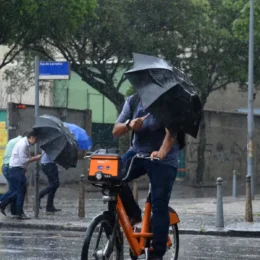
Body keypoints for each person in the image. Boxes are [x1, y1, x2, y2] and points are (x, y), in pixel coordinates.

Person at [112, 94, 179, 260]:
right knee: (112, 176)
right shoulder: (133, 101)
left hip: (163, 159)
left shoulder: (167, 101)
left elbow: (171, 134)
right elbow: (116, 130)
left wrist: (161, 152)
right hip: (137, 152)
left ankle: (156, 253)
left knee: (159, 204)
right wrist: (129, 124)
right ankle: (134, 213)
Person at [0, 130, 41, 219]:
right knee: (20, 191)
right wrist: (35, 158)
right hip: (16, 170)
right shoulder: (23, 145)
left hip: (17, 169)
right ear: (32, 137)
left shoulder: (25, 144)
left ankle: (5, 204)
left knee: (19, 191)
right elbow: (23, 160)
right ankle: (17, 211)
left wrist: (32, 157)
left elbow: (24, 158)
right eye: (36, 140)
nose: (36, 142)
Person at [1, 131, 28, 216]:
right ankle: (3, 202)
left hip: (6, 166)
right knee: (18, 190)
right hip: (12, 167)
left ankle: (14, 210)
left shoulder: (14, 140)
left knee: (15, 189)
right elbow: (22, 157)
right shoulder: (21, 142)